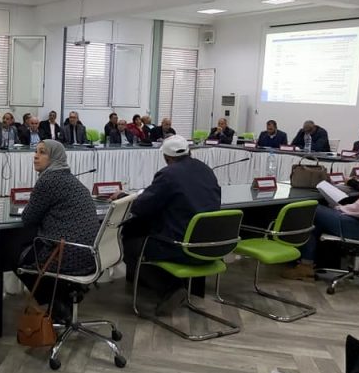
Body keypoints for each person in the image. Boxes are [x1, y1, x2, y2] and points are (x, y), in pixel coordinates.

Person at [118, 135, 221, 315]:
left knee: (129, 242)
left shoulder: (168, 174)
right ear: (189, 152)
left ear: (167, 158)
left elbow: (142, 207)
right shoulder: (206, 169)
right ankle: (177, 287)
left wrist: (122, 197)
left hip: (182, 248)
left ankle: (171, 288)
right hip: (211, 246)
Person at [16, 140, 100, 323]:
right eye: (36, 151)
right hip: (89, 254)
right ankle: (64, 295)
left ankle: (58, 301)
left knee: (14, 254)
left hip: (67, 254)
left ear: (55, 157)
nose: (36, 156)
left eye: (42, 152)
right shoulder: (68, 177)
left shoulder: (48, 180)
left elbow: (28, 218)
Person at [282, 144, 359, 280]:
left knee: (311, 209)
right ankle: (306, 264)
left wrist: (340, 208)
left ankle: (305, 265)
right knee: (314, 221)